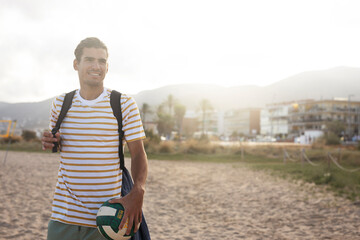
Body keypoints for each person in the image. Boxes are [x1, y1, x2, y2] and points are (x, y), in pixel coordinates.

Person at [42, 37, 148, 240]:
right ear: (76, 64)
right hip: (63, 216)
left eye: (102, 61)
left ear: (107, 67)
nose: (96, 66)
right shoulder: (60, 103)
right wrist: (51, 142)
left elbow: (138, 154)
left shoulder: (123, 104)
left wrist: (138, 191)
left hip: (108, 219)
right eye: (89, 59)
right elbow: (59, 144)